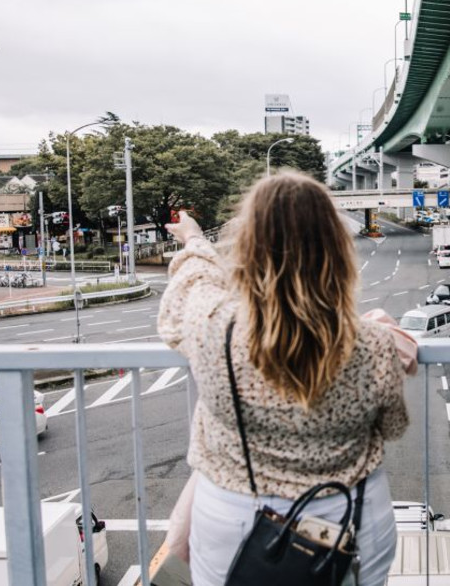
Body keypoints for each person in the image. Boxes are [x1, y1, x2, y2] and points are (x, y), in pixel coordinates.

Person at [158, 171, 415, 586]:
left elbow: (191, 287)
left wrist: (193, 239)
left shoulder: (216, 326)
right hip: (348, 526)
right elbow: (393, 426)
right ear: (336, 248)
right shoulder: (371, 343)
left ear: (248, 246)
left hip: (236, 522)